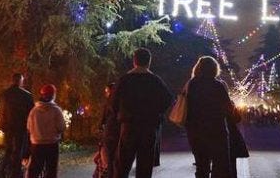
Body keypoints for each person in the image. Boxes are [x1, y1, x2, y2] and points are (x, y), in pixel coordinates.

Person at [112, 48, 174, 178]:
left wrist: (120, 114)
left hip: (129, 125)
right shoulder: (155, 80)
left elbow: (113, 102)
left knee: (123, 163)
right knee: (145, 165)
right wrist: (157, 112)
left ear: (134, 61)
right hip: (149, 126)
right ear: (149, 62)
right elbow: (168, 99)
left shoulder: (124, 80)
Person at [185, 56, 241, 178]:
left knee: (201, 166)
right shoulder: (218, 86)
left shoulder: (191, 85)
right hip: (217, 130)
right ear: (214, 69)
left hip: (196, 130)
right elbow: (228, 109)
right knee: (220, 166)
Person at [0, 73, 34, 178]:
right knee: (19, 149)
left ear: (12, 80)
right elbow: (31, 112)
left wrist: (3, 123)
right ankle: (16, 172)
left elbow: (1, 110)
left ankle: (3, 170)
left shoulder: (4, 94)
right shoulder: (27, 95)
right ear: (20, 81)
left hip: (8, 126)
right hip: (21, 127)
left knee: (8, 149)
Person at [26, 84, 66, 178]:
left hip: (36, 145)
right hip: (52, 144)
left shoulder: (34, 111)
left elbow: (29, 127)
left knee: (34, 170)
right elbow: (62, 127)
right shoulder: (56, 111)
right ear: (53, 95)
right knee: (51, 170)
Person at [96, 83, 119, 178]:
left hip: (110, 132)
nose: (106, 93)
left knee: (109, 158)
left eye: (106, 91)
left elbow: (102, 119)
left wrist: (99, 127)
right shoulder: (122, 102)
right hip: (121, 132)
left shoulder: (108, 102)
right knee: (118, 159)